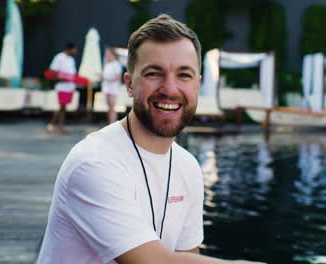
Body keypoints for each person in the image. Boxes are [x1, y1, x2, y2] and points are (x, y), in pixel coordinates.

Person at [37, 14, 265, 264]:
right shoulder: (93, 163)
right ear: (129, 84)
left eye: (184, 75)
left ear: (197, 85)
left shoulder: (188, 167)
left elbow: (185, 258)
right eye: (154, 73)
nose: (169, 88)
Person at [46, 42, 78, 134]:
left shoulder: (71, 59)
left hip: (69, 87)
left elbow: (73, 74)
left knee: (63, 107)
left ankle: (56, 125)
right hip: (62, 86)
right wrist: (62, 78)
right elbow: (52, 71)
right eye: (74, 49)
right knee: (62, 106)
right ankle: (58, 126)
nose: (76, 51)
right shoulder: (59, 57)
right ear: (69, 49)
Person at [101, 47, 123, 124]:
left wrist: (105, 78)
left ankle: (112, 123)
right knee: (109, 107)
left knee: (112, 107)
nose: (107, 56)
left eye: (108, 54)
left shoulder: (116, 64)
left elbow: (117, 78)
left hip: (113, 88)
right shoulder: (107, 64)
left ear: (113, 55)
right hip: (107, 88)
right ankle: (110, 123)